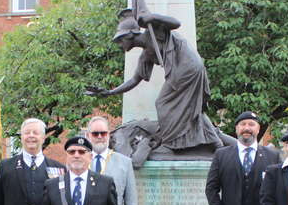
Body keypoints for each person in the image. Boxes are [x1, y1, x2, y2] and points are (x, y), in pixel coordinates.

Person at [87, 10, 225, 152]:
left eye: (120, 40)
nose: (119, 45)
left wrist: (153, 17)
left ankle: (170, 143)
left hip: (185, 68)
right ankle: (216, 143)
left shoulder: (154, 32)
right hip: (188, 69)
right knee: (193, 109)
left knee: (163, 103)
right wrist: (110, 92)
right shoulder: (147, 53)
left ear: (129, 35)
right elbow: (135, 80)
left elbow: (176, 23)